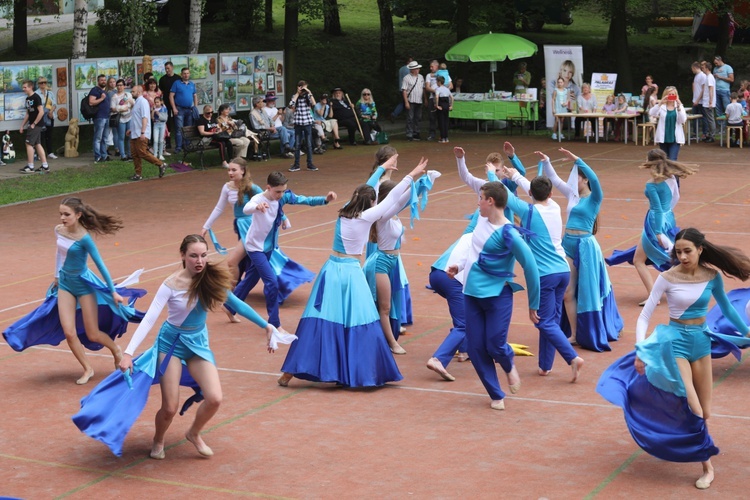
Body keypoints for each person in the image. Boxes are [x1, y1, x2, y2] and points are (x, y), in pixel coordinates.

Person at [73, 235, 287, 458]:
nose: (199, 261)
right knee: (169, 408)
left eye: (203, 255)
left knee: (214, 398)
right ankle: (158, 439)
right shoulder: (170, 285)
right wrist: (127, 353)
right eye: (193, 256)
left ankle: (193, 433)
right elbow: (150, 319)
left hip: (197, 344)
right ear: (183, 256)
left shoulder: (210, 279)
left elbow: (237, 304)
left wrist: (266, 326)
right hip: (171, 345)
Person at [598, 228, 750, 490]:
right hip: (675, 343)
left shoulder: (712, 277)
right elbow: (645, 315)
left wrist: (748, 333)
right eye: (678, 251)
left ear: (700, 250)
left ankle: (697, 452)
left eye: (687, 251)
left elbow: (726, 308)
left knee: (705, 411)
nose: (682, 256)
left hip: (701, 343)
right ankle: (707, 466)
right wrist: (640, 349)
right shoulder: (667, 277)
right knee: (694, 407)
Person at [278, 155, 428, 388]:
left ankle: (289, 372)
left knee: (319, 319)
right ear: (370, 203)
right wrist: (413, 174)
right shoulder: (367, 217)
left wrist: (381, 168)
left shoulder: (344, 213)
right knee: (361, 320)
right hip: (349, 273)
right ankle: (358, 373)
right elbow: (394, 197)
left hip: (330, 270)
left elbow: (367, 189)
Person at [3, 197, 143, 385]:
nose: (62, 217)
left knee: (93, 333)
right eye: (60, 214)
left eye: (66, 214)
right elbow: (58, 253)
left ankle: (116, 349)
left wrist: (113, 291)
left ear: (78, 215)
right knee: (69, 332)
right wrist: (56, 276)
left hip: (84, 286)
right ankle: (87, 368)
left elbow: (101, 265)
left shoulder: (84, 239)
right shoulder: (58, 230)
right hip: (65, 285)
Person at [450, 146, 540, 411]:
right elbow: (475, 251)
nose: (477, 202)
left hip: (498, 295)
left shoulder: (509, 233)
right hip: (471, 293)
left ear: (490, 201)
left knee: (495, 345)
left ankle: (508, 363)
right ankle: (495, 392)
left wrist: (533, 304)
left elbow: (531, 268)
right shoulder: (480, 220)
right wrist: (459, 266)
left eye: (480, 198)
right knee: (476, 349)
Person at [501, 158, 585, 381]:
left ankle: (572, 358)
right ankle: (545, 365)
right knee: (552, 321)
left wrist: (497, 174)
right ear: (549, 194)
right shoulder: (555, 206)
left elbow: (504, 195)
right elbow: (534, 189)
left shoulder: (528, 211)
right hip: (562, 270)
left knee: (543, 321)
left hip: (544, 275)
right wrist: (515, 175)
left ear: (533, 194)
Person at [543, 148, 623, 351]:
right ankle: (575, 333)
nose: (570, 180)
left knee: (588, 290)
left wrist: (578, 159)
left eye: (575, 176)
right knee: (567, 292)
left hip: (585, 246)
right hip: (567, 243)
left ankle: (589, 329)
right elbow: (553, 178)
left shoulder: (595, 197)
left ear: (584, 179)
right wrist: (546, 161)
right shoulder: (572, 195)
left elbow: (595, 179)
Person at [362, 148, 440, 355]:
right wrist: (413, 174)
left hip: (390, 261)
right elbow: (400, 197)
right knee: (384, 307)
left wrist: (424, 180)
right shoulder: (384, 215)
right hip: (380, 262)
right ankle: (391, 343)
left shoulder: (391, 214)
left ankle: (384, 337)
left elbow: (404, 198)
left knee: (385, 305)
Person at [242, 171, 335, 332]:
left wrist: (324, 200)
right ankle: (275, 324)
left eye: (283, 191)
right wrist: (257, 207)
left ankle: (229, 306)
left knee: (251, 278)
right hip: (255, 247)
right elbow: (246, 208)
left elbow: (303, 199)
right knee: (271, 282)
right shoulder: (258, 199)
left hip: (269, 247)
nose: (281, 195)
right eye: (277, 191)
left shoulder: (282, 197)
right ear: (268, 187)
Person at [607, 150, 698, 303]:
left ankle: (656, 295)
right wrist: (668, 212)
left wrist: (657, 232)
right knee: (659, 256)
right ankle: (666, 290)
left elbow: (656, 208)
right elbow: (676, 196)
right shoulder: (671, 177)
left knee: (639, 260)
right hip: (668, 217)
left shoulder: (652, 184)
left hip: (655, 223)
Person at [128, 85, 166, 181]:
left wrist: (143, 132)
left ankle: (161, 164)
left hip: (142, 132)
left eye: (133, 91)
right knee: (135, 154)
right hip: (135, 132)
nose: (131, 93)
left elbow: (145, 118)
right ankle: (138, 174)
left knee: (142, 152)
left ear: (139, 92)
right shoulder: (136, 102)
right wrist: (131, 129)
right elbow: (136, 119)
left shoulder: (143, 102)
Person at [648, 86, 688, 160]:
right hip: (663, 137)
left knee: (672, 159)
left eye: (673, 95)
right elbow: (652, 113)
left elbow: (682, 120)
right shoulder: (661, 106)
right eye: (669, 94)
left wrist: (679, 107)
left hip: (675, 138)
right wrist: (660, 103)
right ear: (665, 95)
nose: (671, 96)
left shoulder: (679, 106)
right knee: (665, 159)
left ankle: (673, 171)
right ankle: (666, 171)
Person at [19, 80, 50, 173]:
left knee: (28, 143)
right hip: (32, 124)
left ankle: (30, 166)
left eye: (25, 87)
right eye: (23, 87)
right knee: (37, 144)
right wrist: (22, 126)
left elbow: (41, 112)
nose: (23, 89)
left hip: (36, 125)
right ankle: (45, 166)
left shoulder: (36, 97)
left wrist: (34, 124)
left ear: (30, 87)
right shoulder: (27, 99)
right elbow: (28, 114)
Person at [288, 80, 318, 172]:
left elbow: (314, 104)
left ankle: (310, 164)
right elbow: (290, 105)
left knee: (309, 144)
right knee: (297, 144)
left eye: (304, 87)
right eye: (301, 87)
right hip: (298, 122)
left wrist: (309, 92)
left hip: (307, 122)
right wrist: (297, 93)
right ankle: (296, 164)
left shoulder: (308, 96)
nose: (302, 89)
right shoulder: (295, 96)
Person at [169, 67, 198, 154]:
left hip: (189, 109)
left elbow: (195, 96)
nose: (186, 75)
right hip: (179, 109)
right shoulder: (176, 83)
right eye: (184, 73)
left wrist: (195, 107)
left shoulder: (192, 84)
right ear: (181, 74)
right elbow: (171, 96)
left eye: (187, 73)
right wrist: (174, 108)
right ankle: (178, 147)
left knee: (188, 129)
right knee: (179, 129)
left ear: (189, 74)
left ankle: (187, 145)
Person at [262, 92, 293, 157]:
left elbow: (281, 120)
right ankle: (284, 151)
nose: (273, 102)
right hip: (273, 130)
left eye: (274, 100)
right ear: (267, 101)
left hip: (281, 129)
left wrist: (282, 114)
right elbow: (268, 122)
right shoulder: (264, 110)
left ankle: (288, 150)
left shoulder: (275, 109)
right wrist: (277, 114)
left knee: (293, 133)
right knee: (286, 133)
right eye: (271, 101)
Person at [158, 61, 180, 154]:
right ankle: (168, 142)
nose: (167, 70)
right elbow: (161, 92)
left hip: (177, 103)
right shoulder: (162, 79)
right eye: (165, 69)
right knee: (167, 122)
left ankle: (179, 142)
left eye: (168, 68)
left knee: (177, 122)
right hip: (166, 103)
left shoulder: (178, 78)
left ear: (172, 68)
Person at [110, 79, 134, 161]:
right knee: (121, 137)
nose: (119, 87)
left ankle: (129, 154)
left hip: (129, 117)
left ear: (124, 86)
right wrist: (120, 109)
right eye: (118, 85)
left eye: (121, 85)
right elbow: (112, 108)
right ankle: (123, 155)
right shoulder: (114, 97)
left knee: (129, 136)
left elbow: (132, 104)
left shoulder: (128, 94)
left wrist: (130, 103)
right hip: (121, 119)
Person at [89, 74, 111, 163]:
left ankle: (104, 155)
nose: (103, 82)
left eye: (105, 80)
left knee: (105, 138)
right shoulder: (95, 90)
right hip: (99, 117)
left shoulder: (104, 91)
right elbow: (91, 102)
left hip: (106, 117)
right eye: (102, 80)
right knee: (98, 138)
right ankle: (97, 156)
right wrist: (101, 99)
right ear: (98, 81)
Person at [402, 61, 425, 141]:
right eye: (416, 68)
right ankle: (409, 134)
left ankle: (416, 133)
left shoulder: (421, 77)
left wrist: (425, 99)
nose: (418, 70)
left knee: (418, 117)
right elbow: (404, 90)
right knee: (410, 118)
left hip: (419, 100)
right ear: (412, 69)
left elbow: (423, 88)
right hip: (411, 100)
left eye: (418, 68)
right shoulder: (406, 78)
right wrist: (406, 102)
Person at [35, 76, 57, 159]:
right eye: (41, 83)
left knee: (49, 135)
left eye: (45, 82)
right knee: (41, 135)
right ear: (38, 84)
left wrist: (51, 112)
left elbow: (54, 104)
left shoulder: (50, 93)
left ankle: (50, 152)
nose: (43, 84)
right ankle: (41, 153)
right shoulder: (36, 94)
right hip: (41, 116)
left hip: (49, 116)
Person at [701, 61, 716, 143]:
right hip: (707, 101)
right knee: (709, 118)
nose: (702, 69)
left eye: (704, 67)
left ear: (707, 68)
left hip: (708, 101)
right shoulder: (708, 77)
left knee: (710, 119)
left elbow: (711, 89)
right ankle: (710, 134)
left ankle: (712, 135)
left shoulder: (710, 77)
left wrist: (710, 100)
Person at [434, 76, 453, 143]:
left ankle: (442, 137)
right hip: (446, 106)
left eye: (436, 81)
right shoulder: (447, 89)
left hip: (441, 105)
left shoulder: (438, 89)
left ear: (439, 82)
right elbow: (452, 97)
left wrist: (437, 105)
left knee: (441, 122)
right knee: (446, 121)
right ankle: (446, 137)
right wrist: (451, 106)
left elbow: (436, 97)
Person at [691, 61, 706, 141]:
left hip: (700, 101)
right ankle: (695, 133)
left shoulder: (703, 76)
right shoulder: (696, 76)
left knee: (703, 117)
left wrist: (698, 99)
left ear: (695, 68)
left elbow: (703, 89)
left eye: (692, 69)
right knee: (694, 117)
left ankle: (704, 133)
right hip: (695, 100)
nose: (692, 70)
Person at [152, 96, 168, 161]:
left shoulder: (164, 108)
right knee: (155, 140)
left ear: (161, 102)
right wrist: (153, 112)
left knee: (161, 140)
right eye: (155, 102)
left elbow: (165, 118)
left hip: (162, 124)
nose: (156, 103)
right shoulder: (154, 109)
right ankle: (155, 154)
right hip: (156, 124)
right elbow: (152, 118)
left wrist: (159, 114)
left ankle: (160, 154)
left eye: (158, 102)